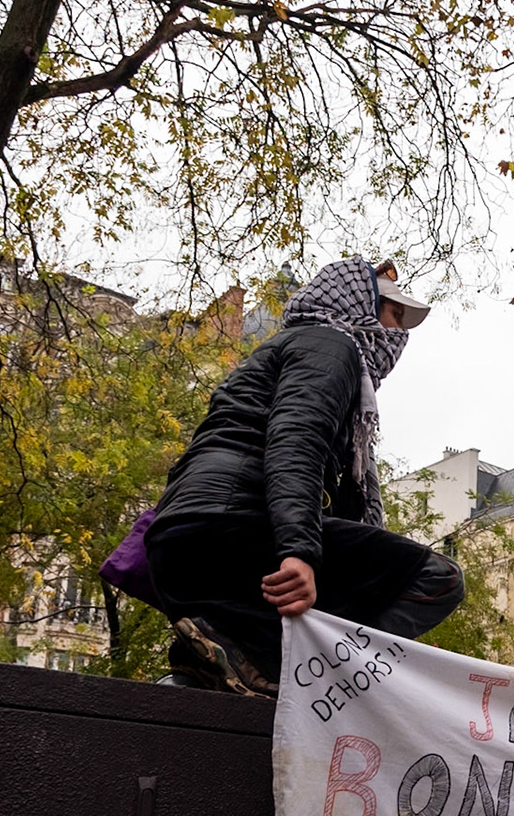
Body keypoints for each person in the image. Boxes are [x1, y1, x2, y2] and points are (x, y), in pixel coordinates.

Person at [147, 257, 464, 694]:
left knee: (298, 623)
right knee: (437, 578)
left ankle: (221, 658)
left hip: (183, 541)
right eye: (394, 315)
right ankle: (314, 685)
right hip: (235, 528)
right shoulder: (332, 346)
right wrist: (300, 553)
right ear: (362, 306)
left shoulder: (283, 350)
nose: (399, 332)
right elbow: (298, 439)